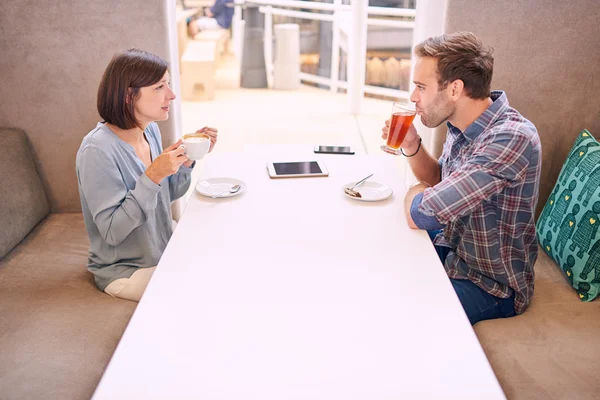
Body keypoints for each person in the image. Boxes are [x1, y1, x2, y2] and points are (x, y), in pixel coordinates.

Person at [382, 32, 542, 325]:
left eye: (420, 87)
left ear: (455, 89)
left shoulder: (510, 139)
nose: (413, 97)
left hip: (489, 285)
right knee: (378, 244)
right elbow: (440, 179)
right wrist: (412, 145)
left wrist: (416, 190)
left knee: (397, 317)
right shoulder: (462, 126)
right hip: (453, 252)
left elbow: (422, 213)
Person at [76, 49, 218, 302]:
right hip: (128, 271)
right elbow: (112, 231)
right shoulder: (96, 151)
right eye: (160, 87)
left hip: (163, 250)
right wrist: (152, 176)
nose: (171, 95)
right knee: (208, 290)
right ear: (130, 95)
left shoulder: (148, 130)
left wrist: (184, 162)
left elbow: (167, 195)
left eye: (169, 84)